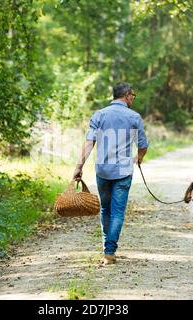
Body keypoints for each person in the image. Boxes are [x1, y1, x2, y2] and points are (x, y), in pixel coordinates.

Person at [73, 82, 148, 265]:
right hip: (123, 171)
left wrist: (78, 166)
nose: (133, 99)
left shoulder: (99, 115)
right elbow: (143, 145)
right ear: (127, 95)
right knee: (117, 212)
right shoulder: (133, 117)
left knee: (106, 209)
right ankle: (109, 251)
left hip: (103, 170)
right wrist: (138, 158)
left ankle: (107, 248)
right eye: (133, 96)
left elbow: (89, 143)